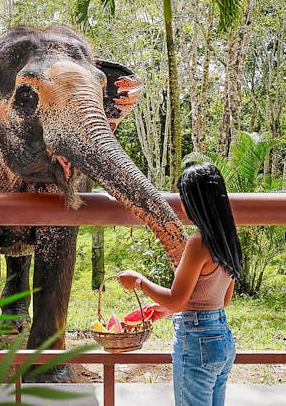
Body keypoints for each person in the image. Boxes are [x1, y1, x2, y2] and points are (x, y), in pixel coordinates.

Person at [117, 162, 242, 406]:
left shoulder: (198, 243)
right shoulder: (229, 238)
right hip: (222, 339)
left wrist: (139, 281)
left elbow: (177, 298)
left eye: (183, 196)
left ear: (194, 202)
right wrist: (169, 309)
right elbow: (221, 300)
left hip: (197, 342)